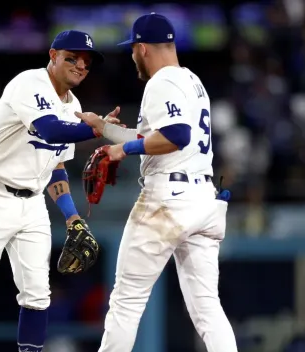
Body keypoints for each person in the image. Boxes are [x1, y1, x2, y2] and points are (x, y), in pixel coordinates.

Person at [0, 30, 120, 352]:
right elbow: (49, 130)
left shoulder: (74, 106)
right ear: (52, 56)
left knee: (38, 294)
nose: (80, 66)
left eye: (87, 62)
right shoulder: (29, 83)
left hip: (32, 201)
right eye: (72, 58)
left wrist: (72, 217)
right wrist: (98, 127)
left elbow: (55, 167)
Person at [75, 13, 238, 352]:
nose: (133, 55)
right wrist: (104, 129)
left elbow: (175, 136)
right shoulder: (192, 82)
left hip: (169, 199)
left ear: (143, 48)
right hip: (203, 201)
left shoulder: (160, 82)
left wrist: (123, 149)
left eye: (133, 49)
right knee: (207, 308)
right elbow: (155, 136)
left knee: (126, 302)